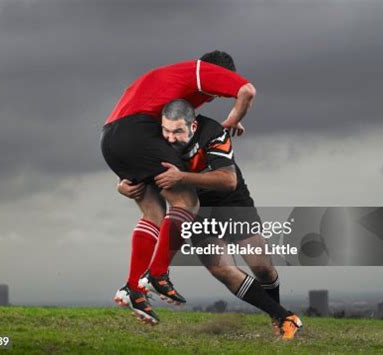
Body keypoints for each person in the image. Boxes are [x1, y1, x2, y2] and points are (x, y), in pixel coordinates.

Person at [118, 99, 303, 340]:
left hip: (231, 201)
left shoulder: (212, 132)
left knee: (262, 267)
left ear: (193, 127)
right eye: (166, 130)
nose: (170, 138)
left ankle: (276, 314)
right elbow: (135, 167)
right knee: (223, 270)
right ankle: (284, 317)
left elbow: (229, 180)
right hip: (194, 209)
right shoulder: (155, 139)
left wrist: (181, 176)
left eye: (177, 131)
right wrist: (123, 185)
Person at [101, 51, 256, 324]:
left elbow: (131, 134)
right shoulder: (201, 70)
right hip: (138, 132)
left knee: (153, 214)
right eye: (217, 93)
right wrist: (234, 117)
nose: (213, 98)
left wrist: (123, 181)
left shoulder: (165, 81)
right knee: (187, 202)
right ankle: (157, 274)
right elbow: (247, 90)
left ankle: (134, 289)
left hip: (111, 138)